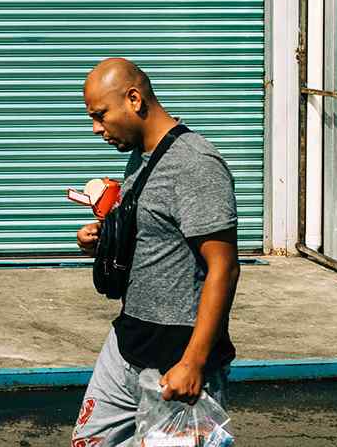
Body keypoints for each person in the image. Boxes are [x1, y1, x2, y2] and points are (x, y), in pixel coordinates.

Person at [71, 58, 240, 447]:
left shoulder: (196, 164)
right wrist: (103, 239)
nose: (96, 129)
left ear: (134, 99)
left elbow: (224, 268)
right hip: (128, 339)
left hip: (177, 354)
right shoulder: (142, 157)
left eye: (100, 116)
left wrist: (194, 361)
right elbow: (154, 236)